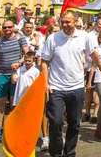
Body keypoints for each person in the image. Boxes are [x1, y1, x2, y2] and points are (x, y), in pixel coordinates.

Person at [41, 10, 101, 157]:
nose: (64, 24)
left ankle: (70, 153)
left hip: (76, 88)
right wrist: (45, 83)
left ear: (75, 22)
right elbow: (44, 61)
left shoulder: (84, 36)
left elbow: (93, 53)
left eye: (68, 22)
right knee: (56, 122)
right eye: (62, 21)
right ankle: (55, 153)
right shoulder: (53, 38)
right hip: (56, 88)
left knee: (74, 124)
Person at [0, 19, 29, 141]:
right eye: (5, 27)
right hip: (2, 73)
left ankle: (13, 126)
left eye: (9, 27)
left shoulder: (20, 38)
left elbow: (27, 54)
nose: (7, 30)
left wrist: (19, 63)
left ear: (13, 27)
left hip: (16, 74)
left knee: (14, 101)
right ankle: (1, 128)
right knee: (0, 100)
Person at [37, 22, 61, 152]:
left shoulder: (64, 44)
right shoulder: (44, 46)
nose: (56, 34)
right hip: (47, 80)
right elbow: (41, 63)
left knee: (57, 112)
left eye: (58, 31)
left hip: (60, 81)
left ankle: (56, 135)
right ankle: (45, 137)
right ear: (49, 33)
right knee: (45, 110)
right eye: (53, 31)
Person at [83, 16, 101, 124]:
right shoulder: (89, 35)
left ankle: (96, 115)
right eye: (100, 24)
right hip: (91, 66)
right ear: (95, 25)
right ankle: (87, 112)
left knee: (100, 93)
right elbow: (84, 50)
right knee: (89, 91)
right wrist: (84, 62)